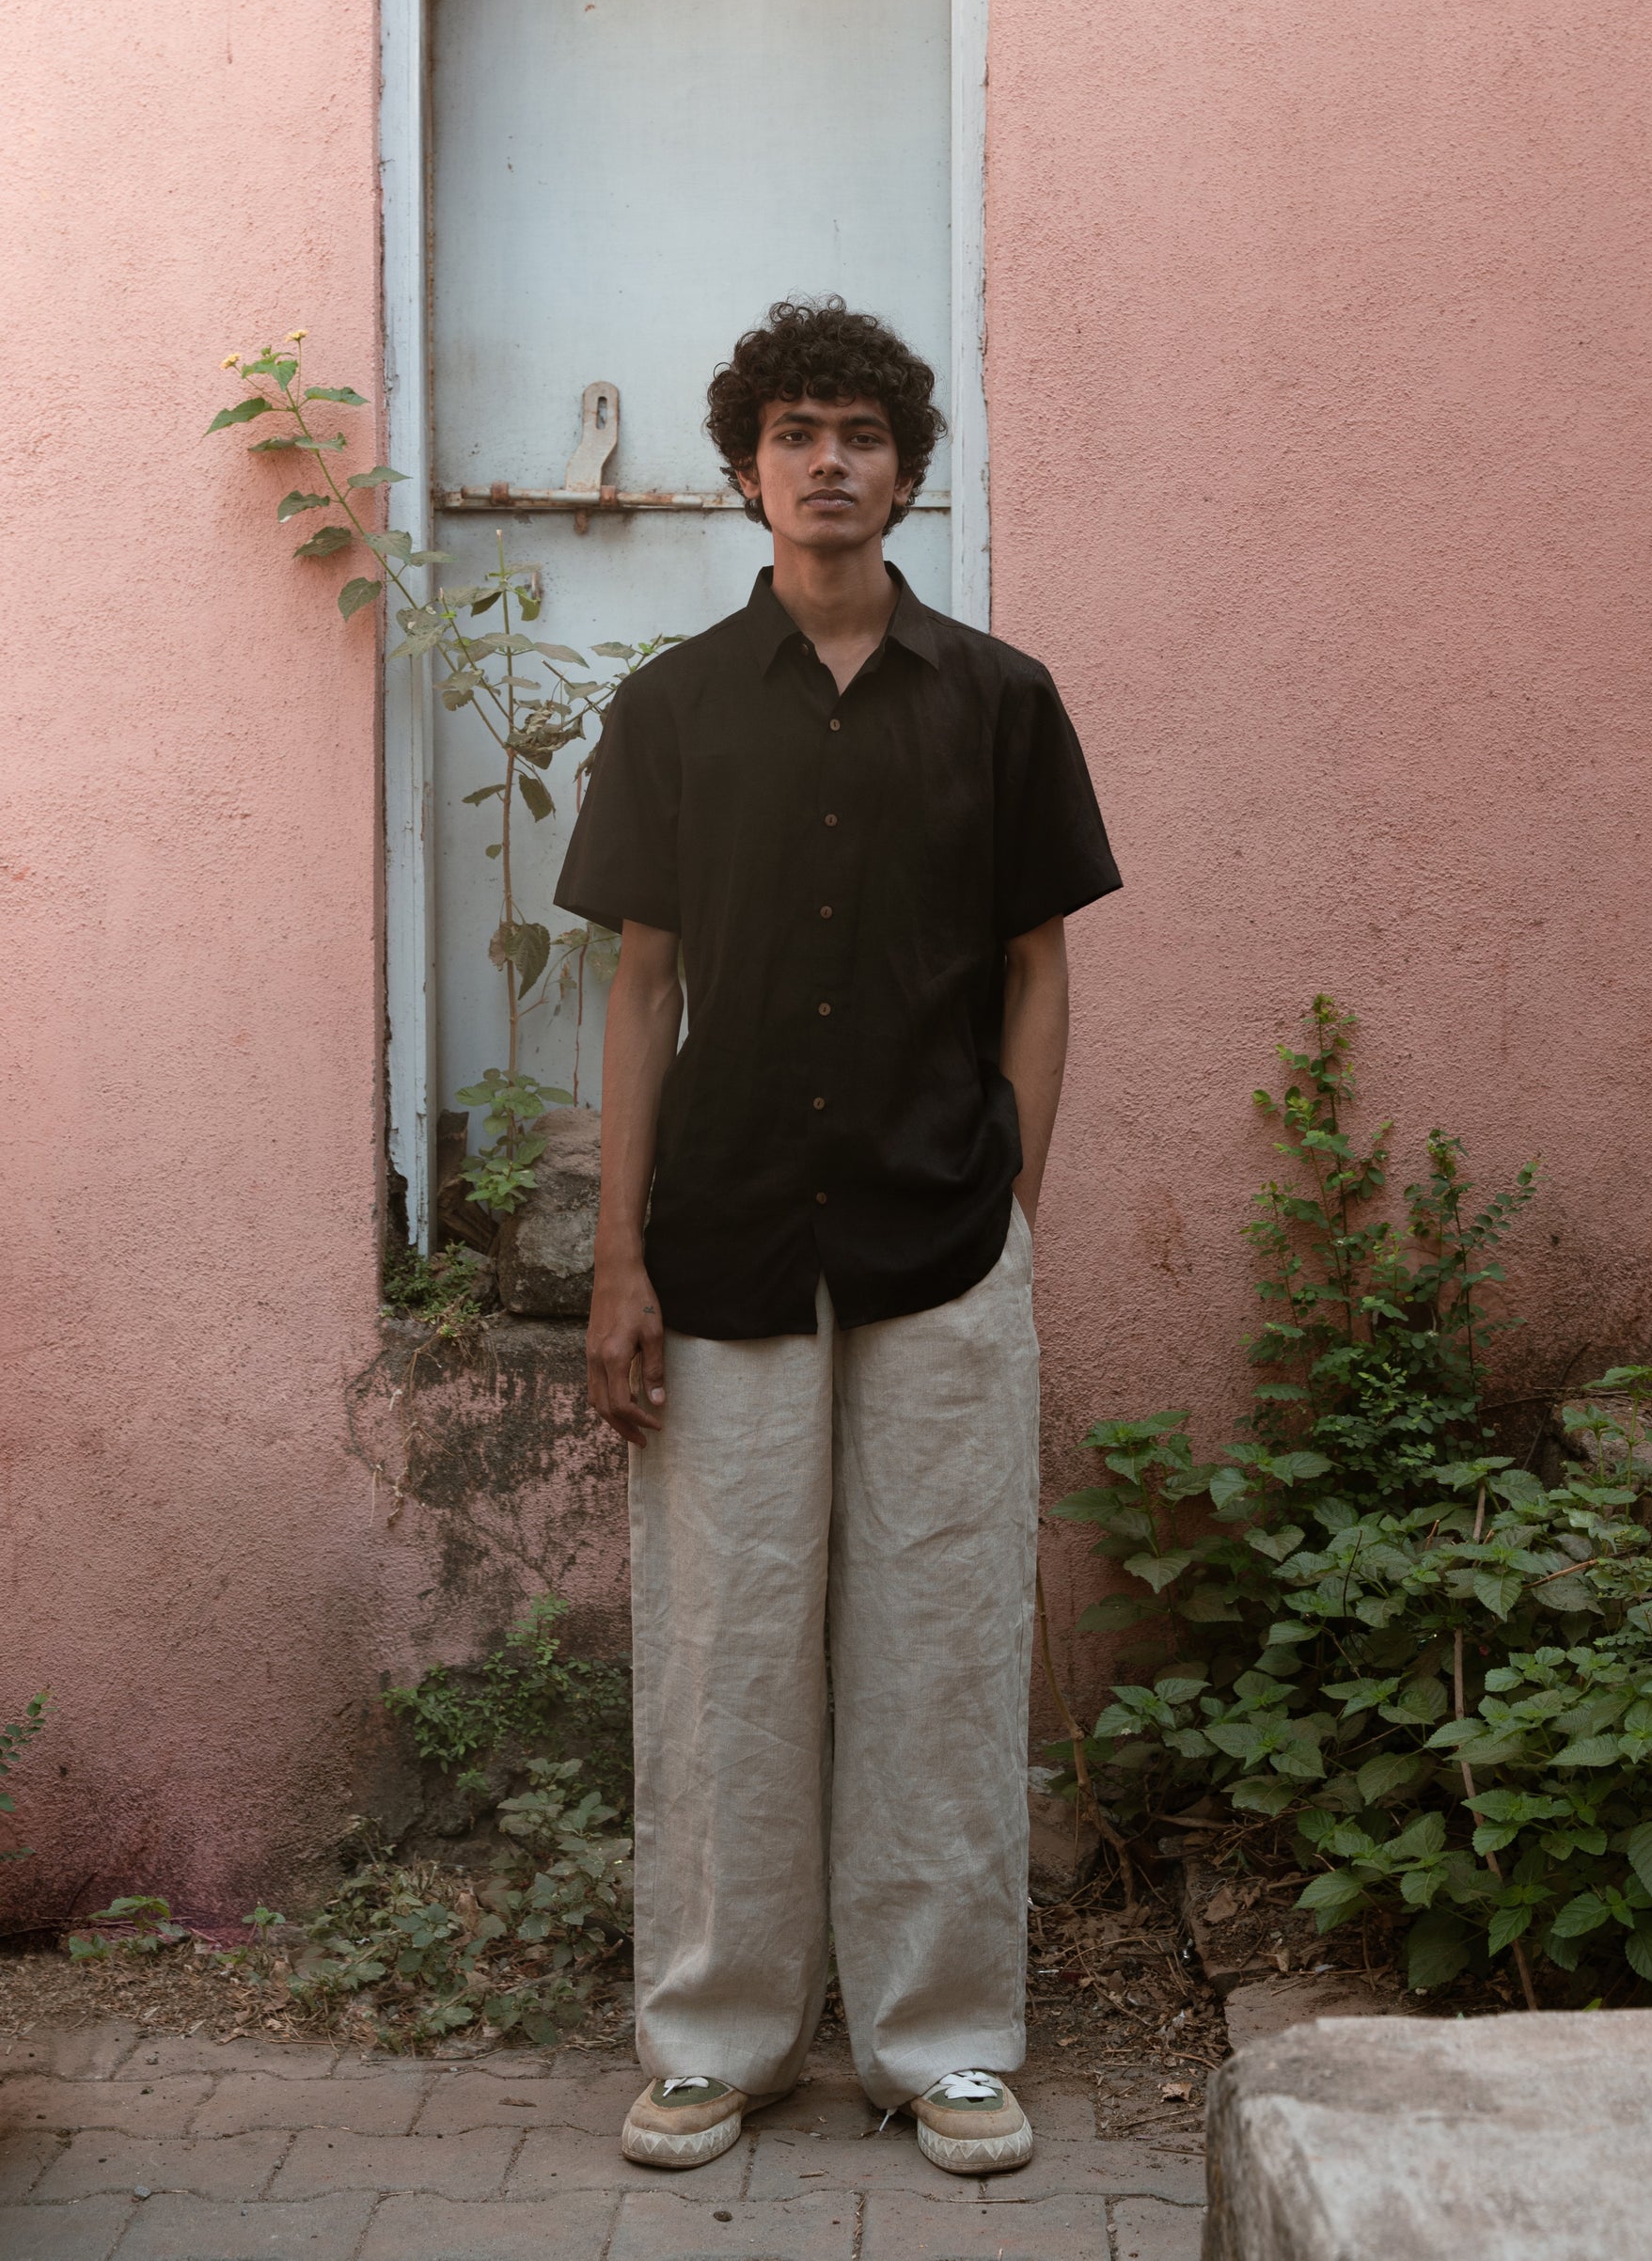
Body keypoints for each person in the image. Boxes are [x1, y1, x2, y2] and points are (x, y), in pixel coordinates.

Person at [555, 297, 1120, 2176]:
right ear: (742, 470)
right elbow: (644, 987)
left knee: (943, 1639)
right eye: (794, 429)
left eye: (862, 429)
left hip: (944, 1239)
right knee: (721, 1648)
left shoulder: (1002, 698)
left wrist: (1009, 1196)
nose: (828, 459)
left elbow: (1039, 964)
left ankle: (943, 2039)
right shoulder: (674, 708)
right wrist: (616, 1255)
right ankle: (715, 2032)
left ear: (906, 466)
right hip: (718, 1241)